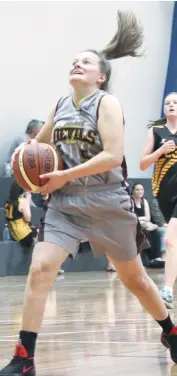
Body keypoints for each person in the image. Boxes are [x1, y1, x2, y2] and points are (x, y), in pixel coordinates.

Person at [1, 11, 177, 375]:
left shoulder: (106, 104)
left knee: (137, 282)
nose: (77, 64)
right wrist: (24, 158)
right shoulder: (61, 105)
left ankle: (170, 332)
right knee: (40, 270)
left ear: (101, 76)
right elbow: (40, 144)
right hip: (65, 204)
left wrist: (64, 173)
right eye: (74, 61)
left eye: (86, 61)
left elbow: (113, 155)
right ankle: (24, 357)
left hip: (108, 201)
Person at [140, 92, 177, 309]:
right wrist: (160, 151)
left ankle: (167, 290)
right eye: (168, 103)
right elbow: (143, 164)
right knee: (174, 244)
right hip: (163, 193)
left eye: (175, 103)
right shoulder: (156, 131)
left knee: (170, 241)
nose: (171, 105)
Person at [131, 183, 164, 268]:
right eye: (137, 190)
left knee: (155, 231)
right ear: (133, 191)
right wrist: (142, 220)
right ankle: (144, 260)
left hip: (144, 224)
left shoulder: (144, 201)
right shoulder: (130, 201)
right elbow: (133, 217)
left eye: (141, 189)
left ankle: (156, 257)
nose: (140, 192)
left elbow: (148, 218)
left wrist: (143, 220)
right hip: (133, 225)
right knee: (143, 232)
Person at [4, 181, 37, 247]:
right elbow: (28, 219)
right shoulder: (23, 201)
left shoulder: (7, 202)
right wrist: (28, 199)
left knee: (36, 230)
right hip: (24, 236)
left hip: (14, 236)